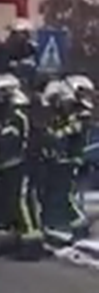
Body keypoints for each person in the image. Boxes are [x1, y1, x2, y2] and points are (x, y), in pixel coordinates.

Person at [0, 73, 44, 259]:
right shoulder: (12, 115)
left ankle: (31, 244)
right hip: (12, 167)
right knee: (11, 205)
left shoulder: (17, 115)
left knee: (21, 202)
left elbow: (8, 142)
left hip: (20, 166)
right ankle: (16, 241)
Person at [39, 79, 78, 245]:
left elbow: (69, 132)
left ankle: (67, 226)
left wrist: (54, 136)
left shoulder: (74, 117)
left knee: (61, 195)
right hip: (55, 162)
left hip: (65, 162)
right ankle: (55, 226)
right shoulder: (54, 116)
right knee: (52, 194)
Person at [66, 73, 95, 238]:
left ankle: (79, 227)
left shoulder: (79, 114)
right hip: (77, 160)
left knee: (71, 196)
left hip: (75, 161)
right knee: (75, 195)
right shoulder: (77, 112)